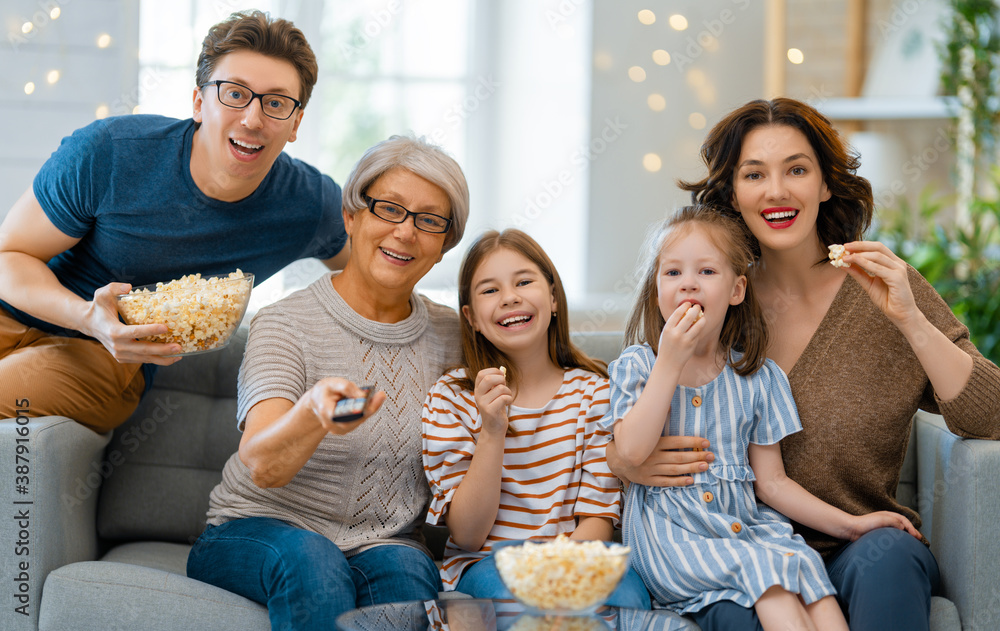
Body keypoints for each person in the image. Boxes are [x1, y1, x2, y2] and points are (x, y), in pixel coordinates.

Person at [607, 97, 1000, 631]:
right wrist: (623, 459)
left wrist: (910, 321)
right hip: (733, 550)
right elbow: (635, 399)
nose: (776, 190)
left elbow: (990, 416)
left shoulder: (882, 287)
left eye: (796, 169)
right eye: (754, 174)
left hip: (855, 544)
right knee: (732, 615)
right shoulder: (709, 297)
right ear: (731, 193)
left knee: (888, 558)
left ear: (825, 184)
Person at [0, 10, 348, 433]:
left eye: (275, 103)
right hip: (15, 312)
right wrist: (86, 314)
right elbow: (10, 255)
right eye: (234, 93)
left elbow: (373, 268)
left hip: (110, 360)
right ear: (199, 103)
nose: (253, 119)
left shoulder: (310, 203)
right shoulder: (110, 151)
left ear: (295, 123)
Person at [185, 133, 469, 629]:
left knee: (409, 576)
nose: (405, 232)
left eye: (429, 221)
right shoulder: (284, 322)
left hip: (386, 541)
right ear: (351, 217)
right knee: (313, 560)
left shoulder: (452, 335)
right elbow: (261, 464)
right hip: (256, 530)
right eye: (389, 209)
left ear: (443, 245)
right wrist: (313, 414)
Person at [606, 205, 921, 630]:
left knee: (804, 568)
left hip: (747, 530)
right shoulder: (639, 365)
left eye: (706, 272)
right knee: (770, 583)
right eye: (673, 273)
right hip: (675, 539)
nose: (688, 286)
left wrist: (851, 525)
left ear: (737, 290)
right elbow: (630, 449)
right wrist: (670, 363)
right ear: (656, 288)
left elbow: (772, 483)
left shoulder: (759, 377)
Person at [421, 228, 650, 610]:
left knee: (625, 597)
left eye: (524, 281)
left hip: (580, 556)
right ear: (471, 317)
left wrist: (558, 569)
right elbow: (467, 535)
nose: (510, 297)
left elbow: (598, 521)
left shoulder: (595, 394)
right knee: (526, 604)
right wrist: (492, 431)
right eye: (489, 290)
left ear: (554, 298)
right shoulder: (451, 398)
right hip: (489, 563)